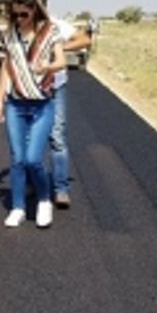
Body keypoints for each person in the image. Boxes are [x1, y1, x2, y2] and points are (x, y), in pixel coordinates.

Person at [0, 0, 65, 228]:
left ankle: (44, 200)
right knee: (17, 159)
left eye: (24, 14)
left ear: (34, 10)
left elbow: (62, 60)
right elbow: (7, 65)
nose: (20, 19)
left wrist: (48, 68)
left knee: (33, 159)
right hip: (16, 104)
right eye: (15, 15)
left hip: (42, 105)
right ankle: (17, 207)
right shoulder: (9, 35)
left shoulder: (50, 32)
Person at [47, 15, 92, 208]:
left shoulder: (56, 24)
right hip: (30, 89)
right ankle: (33, 182)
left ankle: (61, 188)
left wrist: (60, 48)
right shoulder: (22, 23)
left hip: (56, 86)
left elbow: (84, 39)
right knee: (31, 139)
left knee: (57, 135)